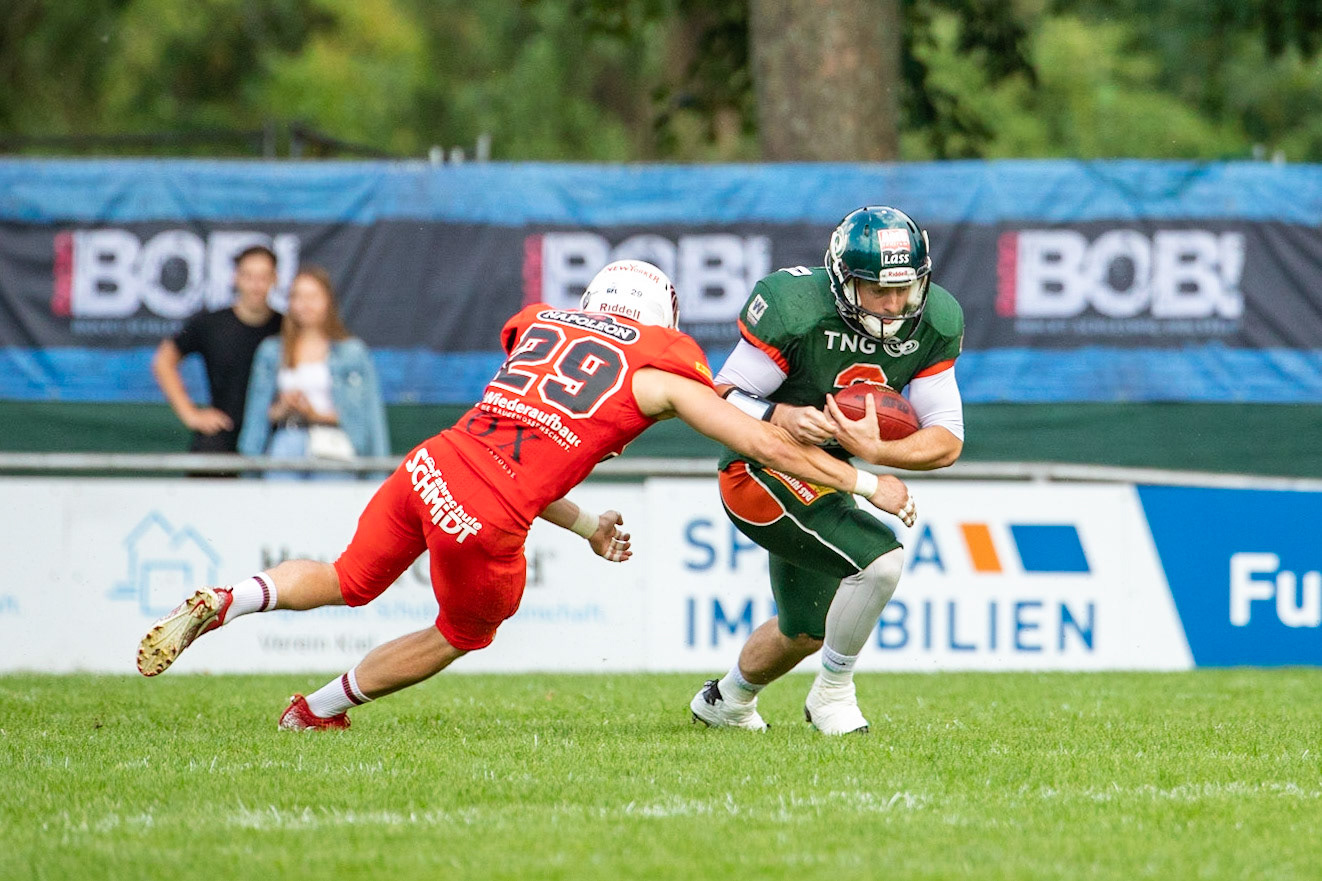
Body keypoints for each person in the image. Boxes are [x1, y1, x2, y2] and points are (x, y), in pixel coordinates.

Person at [136, 259, 917, 731]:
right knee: (459, 633)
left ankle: (233, 596)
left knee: (347, 577)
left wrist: (581, 527)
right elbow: (760, 441)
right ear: (660, 318)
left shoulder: (543, 326)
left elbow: (519, 450)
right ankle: (318, 706)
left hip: (433, 463)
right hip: (487, 514)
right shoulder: (656, 369)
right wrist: (863, 479)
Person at [688, 206, 965, 735]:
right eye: (875, 289)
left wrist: (878, 451)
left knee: (806, 630)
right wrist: (778, 412)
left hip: (824, 474)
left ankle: (725, 701)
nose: (892, 304)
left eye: (904, 288)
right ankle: (833, 694)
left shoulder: (934, 321)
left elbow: (947, 440)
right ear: (841, 281)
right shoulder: (796, 309)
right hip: (759, 468)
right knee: (879, 562)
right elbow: (718, 399)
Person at [237, 265, 389, 477]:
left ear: (328, 301)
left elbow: (366, 417)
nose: (305, 305)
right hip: (285, 442)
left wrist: (315, 414)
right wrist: (283, 408)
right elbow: (256, 415)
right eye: (298, 297)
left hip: (333, 445)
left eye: (313, 296)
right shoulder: (271, 351)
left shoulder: (352, 352)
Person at [151, 244, 283, 454]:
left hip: (273, 432)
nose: (256, 285)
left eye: (263, 277)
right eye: (248, 276)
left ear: (275, 279)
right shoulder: (210, 324)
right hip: (224, 430)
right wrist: (190, 413)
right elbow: (164, 361)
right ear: (235, 278)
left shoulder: (287, 327)